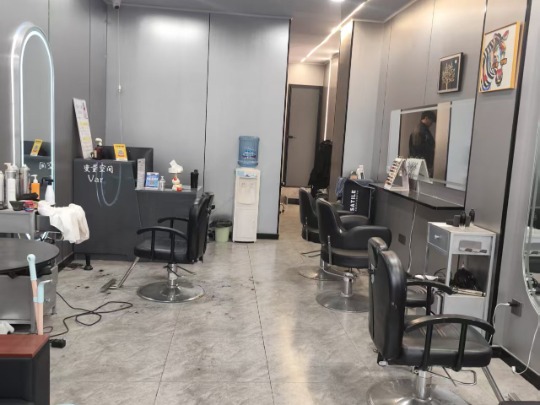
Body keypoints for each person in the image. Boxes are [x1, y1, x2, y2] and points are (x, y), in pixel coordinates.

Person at [408, 110, 436, 177]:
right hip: (421, 164)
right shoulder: (421, 130)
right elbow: (417, 149)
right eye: (431, 120)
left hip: (420, 163)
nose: (432, 123)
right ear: (426, 118)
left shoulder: (420, 129)